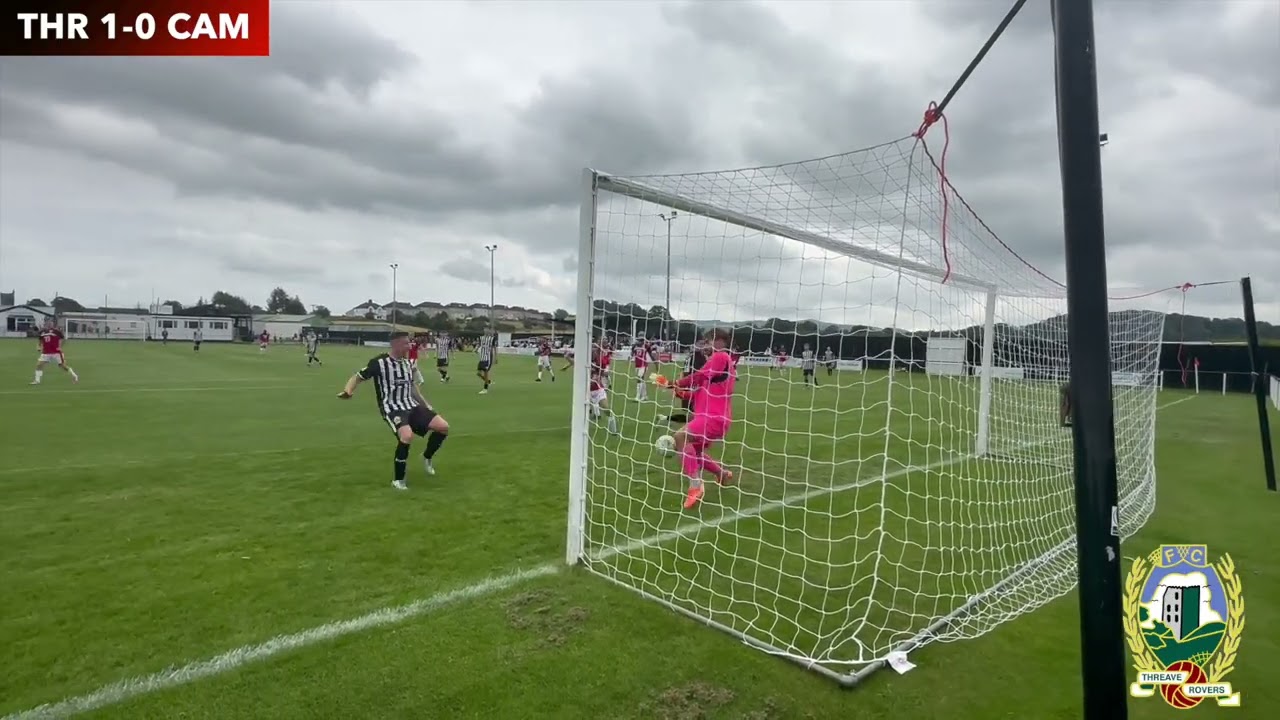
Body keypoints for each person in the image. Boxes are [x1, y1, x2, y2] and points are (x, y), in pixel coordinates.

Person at [337, 331, 450, 490]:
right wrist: (348, 391)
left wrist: (425, 404)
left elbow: (412, 387)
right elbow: (357, 377)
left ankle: (426, 457)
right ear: (395, 344)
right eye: (406, 343)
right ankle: (398, 480)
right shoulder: (379, 363)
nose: (409, 346)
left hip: (411, 405)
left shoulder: (407, 363)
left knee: (443, 427)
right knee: (406, 435)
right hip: (392, 408)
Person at [659, 328, 736, 509]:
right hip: (713, 419)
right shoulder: (714, 368)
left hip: (712, 418)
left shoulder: (721, 357)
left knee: (680, 437)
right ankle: (722, 473)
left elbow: (699, 376)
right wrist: (676, 390)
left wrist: (675, 382)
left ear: (720, 342)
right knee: (694, 451)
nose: (707, 344)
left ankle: (695, 485)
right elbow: (697, 394)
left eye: (710, 340)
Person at [669, 339, 709, 424]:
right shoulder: (697, 357)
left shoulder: (694, 356)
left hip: (693, 383)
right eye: (701, 344)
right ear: (696, 345)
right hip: (694, 384)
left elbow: (685, 371)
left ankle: (668, 419)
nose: (703, 346)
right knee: (694, 410)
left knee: (692, 410)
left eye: (704, 344)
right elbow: (689, 372)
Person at [32, 319, 79, 385]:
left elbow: (63, 338)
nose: (49, 324)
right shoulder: (42, 332)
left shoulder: (56, 331)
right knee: (39, 365)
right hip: (46, 352)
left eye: (50, 323)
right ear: (46, 324)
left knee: (63, 366)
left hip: (56, 352)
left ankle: (74, 375)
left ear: (53, 324)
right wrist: (38, 347)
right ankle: (37, 380)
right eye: (48, 323)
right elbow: (40, 341)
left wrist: (60, 347)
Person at [589, 368, 619, 434]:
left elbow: (604, 372)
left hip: (598, 391)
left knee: (606, 409)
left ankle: (613, 430)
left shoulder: (597, 361)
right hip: (586, 392)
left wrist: (599, 376)